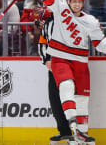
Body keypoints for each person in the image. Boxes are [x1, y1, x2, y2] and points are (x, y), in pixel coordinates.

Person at [38, 0, 106, 144]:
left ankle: (82, 132)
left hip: (81, 61)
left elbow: (99, 41)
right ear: (68, 1)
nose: (75, 4)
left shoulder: (91, 21)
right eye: (73, 1)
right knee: (66, 87)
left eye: (78, 2)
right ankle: (72, 128)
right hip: (60, 57)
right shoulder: (60, 9)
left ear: (82, 3)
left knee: (83, 97)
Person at [38, 14, 72, 142]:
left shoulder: (70, 20)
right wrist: (46, 59)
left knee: (70, 99)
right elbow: (42, 42)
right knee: (55, 100)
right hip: (54, 67)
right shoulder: (48, 23)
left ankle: (78, 131)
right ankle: (64, 131)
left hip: (70, 66)